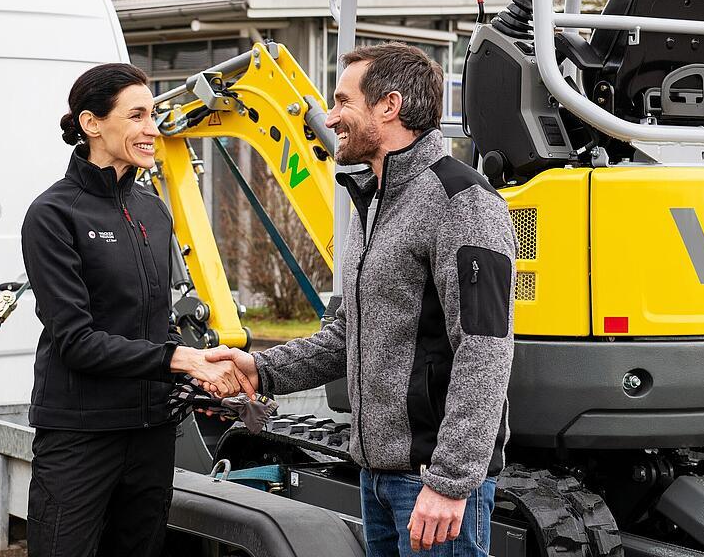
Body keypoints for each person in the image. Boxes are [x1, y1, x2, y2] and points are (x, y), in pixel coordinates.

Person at [207, 42, 517, 557]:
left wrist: (450, 481)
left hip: (432, 487)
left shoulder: (463, 202)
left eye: (343, 101)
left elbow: (485, 350)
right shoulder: (371, 203)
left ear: (389, 106)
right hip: (378, 477)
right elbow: (345, 336)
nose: (330, 117)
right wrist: (260, 369)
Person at [21, 63, 252, 557]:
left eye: (152, 114)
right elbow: (76, 341)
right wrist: (178, 360)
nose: (152, 128)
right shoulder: (52, 215)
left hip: (150, 432)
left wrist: (199, 367)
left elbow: (155, 321)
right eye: (138, 116)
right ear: (91, 123)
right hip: (80, 437)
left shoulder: (153, 209)